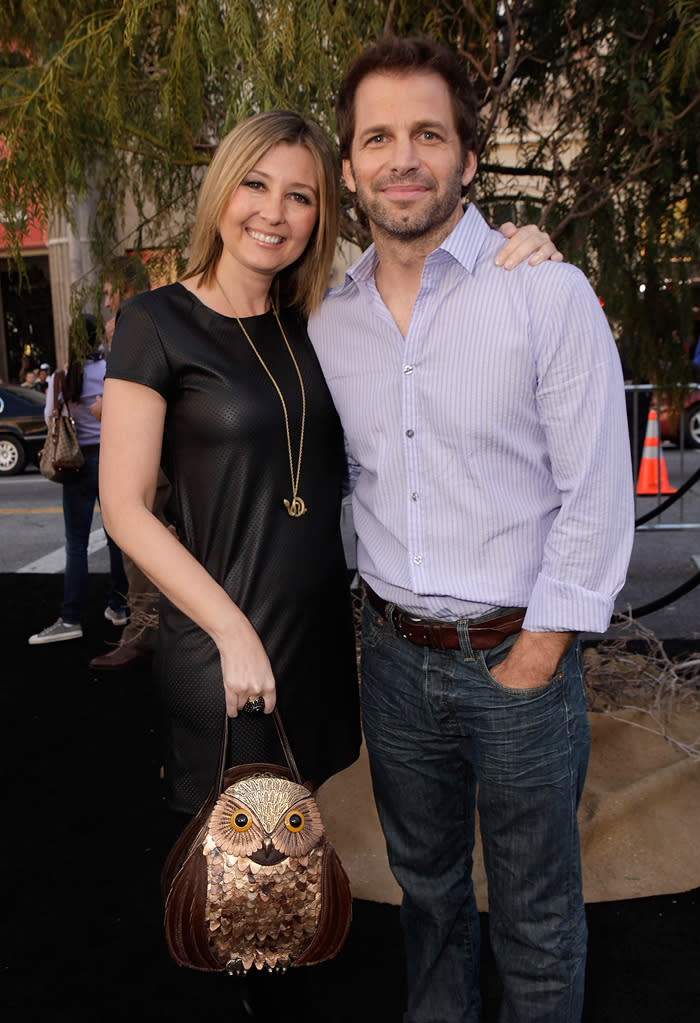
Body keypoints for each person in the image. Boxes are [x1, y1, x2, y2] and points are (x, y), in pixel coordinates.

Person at [98, 109, 554, 819]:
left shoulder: (318, 317)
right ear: (222, 190)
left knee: (301, 867)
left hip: (316, 641)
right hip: (227, 644)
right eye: (255, 184)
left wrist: (511, 243)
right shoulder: (154, 322)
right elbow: (124, 508)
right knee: (240, 883)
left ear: (320, 214)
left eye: (300, 196)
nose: (273, 213)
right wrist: (233, 634)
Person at [308, 36, 635, 1023]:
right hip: (394, 664)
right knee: (429, 903)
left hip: (517, 665)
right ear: (351, 166)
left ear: (467, 159)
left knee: (536, 916)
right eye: (378, 137)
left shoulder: (544, 292)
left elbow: (596, 490)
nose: (402, 156)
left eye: (427, 133)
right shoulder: (329, 320)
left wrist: (538, 651)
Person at [28, 316, 129, 645]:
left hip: (77, 464)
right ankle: (119, 606)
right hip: (111, 460)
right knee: (117, 539)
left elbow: (49, 419)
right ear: (97, 337)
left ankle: (71, 616)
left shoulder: (61, 377)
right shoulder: (111, 370)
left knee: (76, 545)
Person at [88, 254, 167, 671]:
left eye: (107, 292)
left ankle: (142, 636)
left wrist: (102, 407)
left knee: (139, 552)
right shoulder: (160, 314)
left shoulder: (133, 319)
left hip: (143, 457)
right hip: (156, 457)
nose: (104, 301)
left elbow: (130, 394)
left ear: (122, 287)